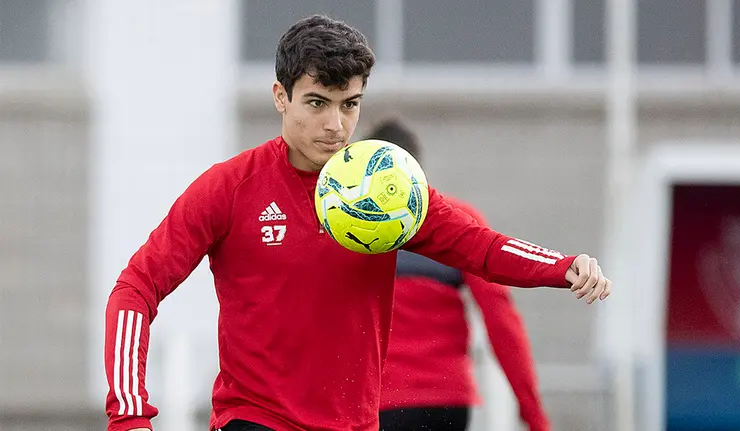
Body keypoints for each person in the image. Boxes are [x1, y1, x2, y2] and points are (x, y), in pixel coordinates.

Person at [103, 15, 611, 431]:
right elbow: (136, 288)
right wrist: (130, 415)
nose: (336, 125)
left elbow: (480, 247)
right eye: (317, 103)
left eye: (349, 106)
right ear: (280, 96)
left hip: (357, 424)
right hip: (256, 420)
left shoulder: (390, 192)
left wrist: (562, 266)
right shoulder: (230, 187)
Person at [366, 119, 551, 431]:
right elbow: (501, 320)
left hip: (378, 404)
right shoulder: (458, 222)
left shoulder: (350, 232)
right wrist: (534, 414)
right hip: (446, 403)